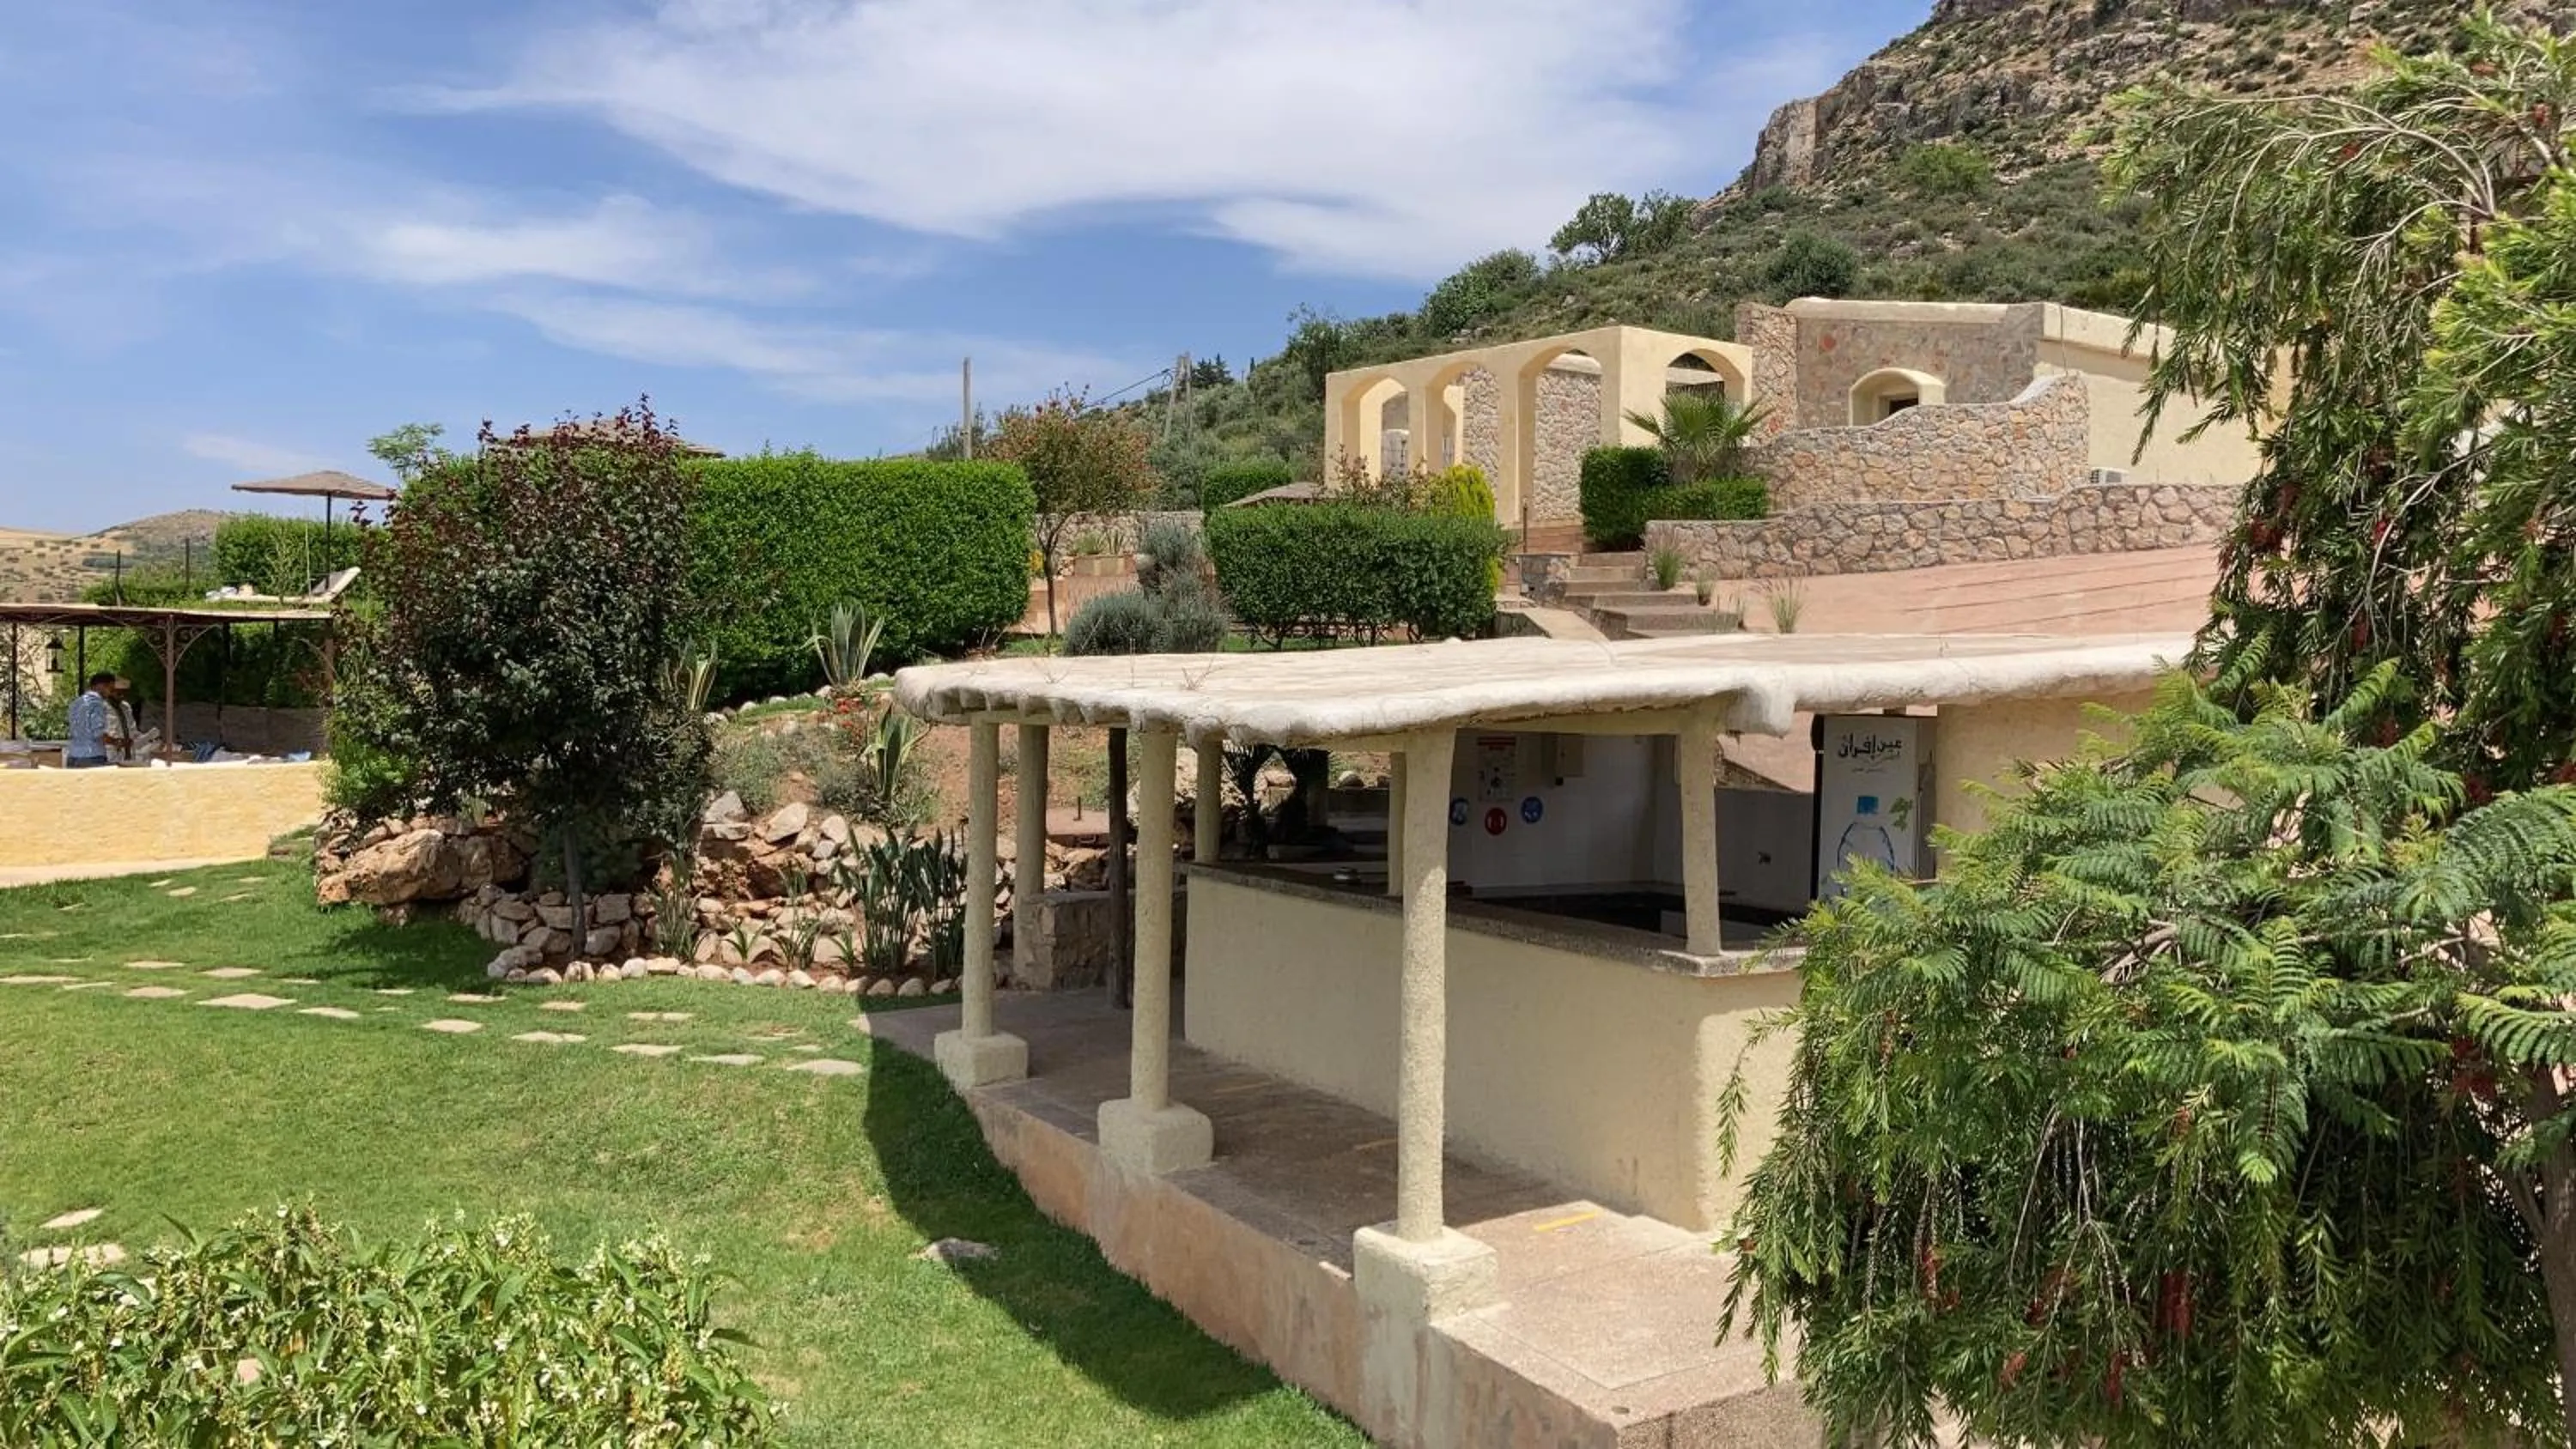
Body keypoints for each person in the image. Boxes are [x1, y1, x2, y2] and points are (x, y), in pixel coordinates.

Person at [64, 673, 126, 768]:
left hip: (73, 754)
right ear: (101, 686)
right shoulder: (97, 704)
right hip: (92, 756)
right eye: (110, 688)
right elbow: (98, 734)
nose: (110, 693)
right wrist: (117, 742)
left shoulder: (76, 703)